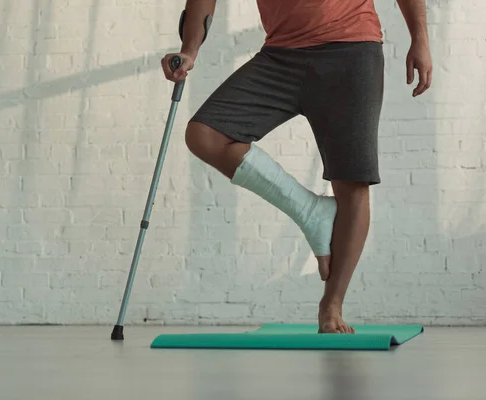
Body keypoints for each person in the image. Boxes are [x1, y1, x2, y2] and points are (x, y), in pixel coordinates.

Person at [161, 0, 432, 333]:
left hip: (350, 51)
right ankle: (309, 211)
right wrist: (189, 51)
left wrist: (419, 38)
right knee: (204, 135)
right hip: (279, 58)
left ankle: (331, 307)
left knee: (352, 183)